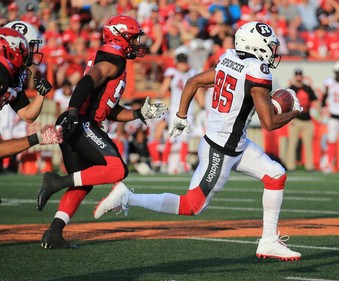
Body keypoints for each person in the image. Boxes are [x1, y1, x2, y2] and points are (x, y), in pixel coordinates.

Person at [95, 21, 302, 261]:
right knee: (192, 205)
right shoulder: (257, 71)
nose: (273, 51)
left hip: (236, 144)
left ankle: (268, 241)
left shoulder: (230, 58)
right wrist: (295, 110)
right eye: (270, 46)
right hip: (221, 150)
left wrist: (181, 115)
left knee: (276, 174)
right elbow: (269, 124)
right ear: (258, 46)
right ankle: (128, 197)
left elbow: (193, 82)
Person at [35, 15, 168, 249]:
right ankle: (56, 181)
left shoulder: (111, 58)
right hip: (81, 121)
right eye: (134, 38)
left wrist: (139, 113)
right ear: (121, 37)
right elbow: (88, 80)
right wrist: (74, 109)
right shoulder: (113, 58)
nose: (138, 43)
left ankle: (54, 232)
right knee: (117, 169)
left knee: (83, 183)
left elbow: (109, 109)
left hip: (77, 120)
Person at [1, 22, 52, 121]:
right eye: (29, 46)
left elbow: (27, 115)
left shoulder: (13, 75)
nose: (32, 52)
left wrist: (40, 94)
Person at [285, 68, 318, 172]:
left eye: (300, 76)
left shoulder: (307, 88)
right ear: (295, 77)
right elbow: (286, 105)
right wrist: (289, 118)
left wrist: (319, 114)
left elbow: (315, 101)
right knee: (292, 144)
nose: (299, 78)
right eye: (297, 76)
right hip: (295, 120)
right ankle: (290, 165)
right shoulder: (291, 89)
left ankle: (309, 166)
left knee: (308, 145)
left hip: (307, 120)